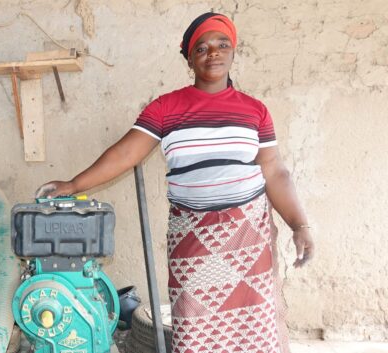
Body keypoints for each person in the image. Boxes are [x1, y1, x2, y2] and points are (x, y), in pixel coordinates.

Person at [35, 12, 313, 353]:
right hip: (192, 237)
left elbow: (274, 171)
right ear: (190, 58)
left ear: (233, 51)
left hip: (247, 238)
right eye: (202, 47)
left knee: (251, 329)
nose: (213, 53)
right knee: (195, 326)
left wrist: (299, 224)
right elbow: (125, 154)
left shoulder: (254, 110)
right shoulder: (167, 108)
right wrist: (74, 185)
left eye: (222, 44)